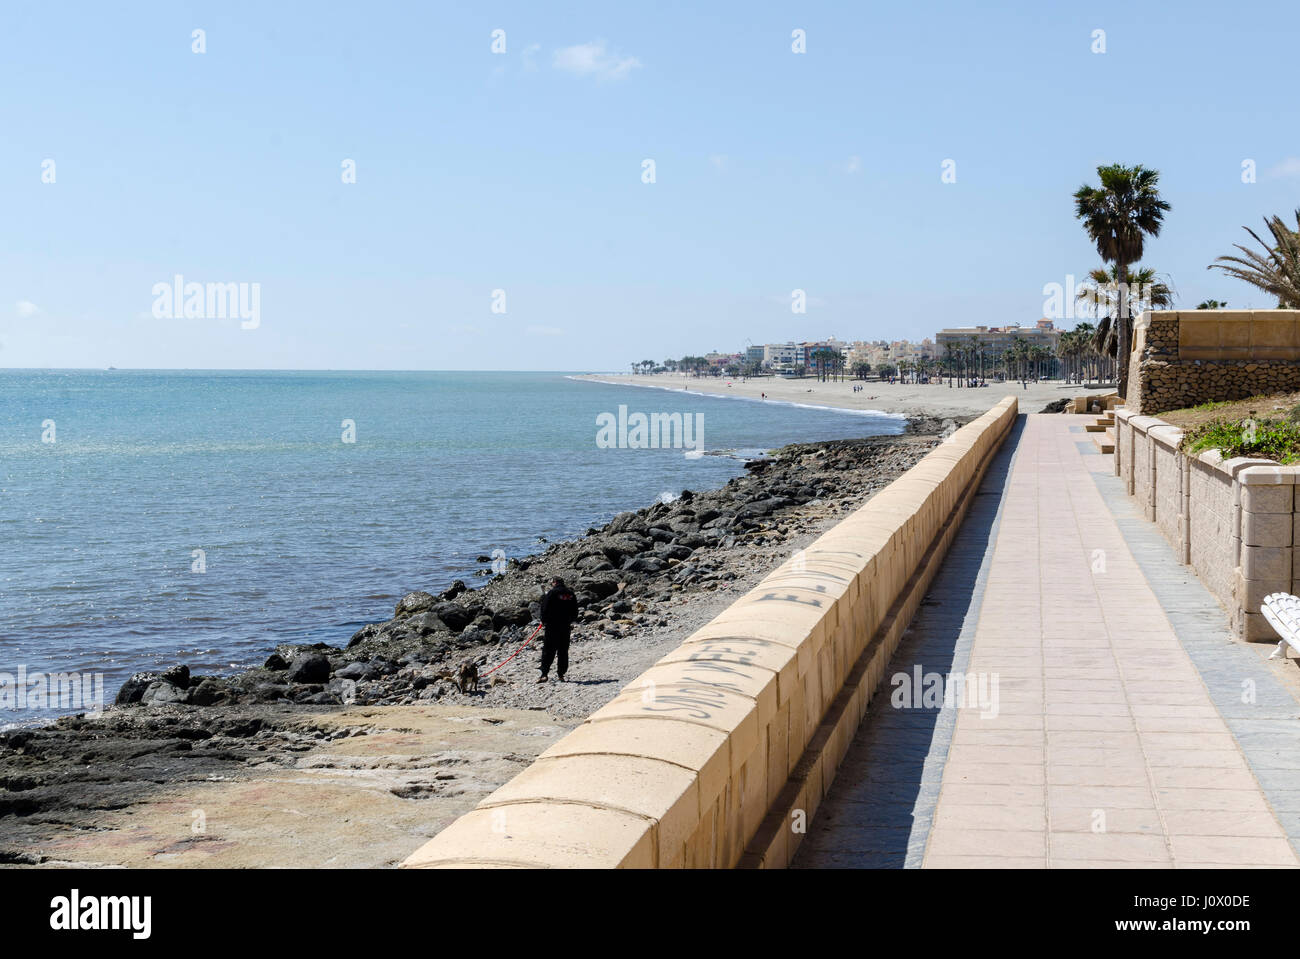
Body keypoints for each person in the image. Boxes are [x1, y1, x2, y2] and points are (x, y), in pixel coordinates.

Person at [538, 576, 579, 682]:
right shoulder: (570, 593)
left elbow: (545, 608)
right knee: (563, 650)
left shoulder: (552, 593)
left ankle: (544, 674)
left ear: (554, 582)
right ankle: (561, 674)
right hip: (565, 626)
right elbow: (575, 610)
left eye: (551, 582)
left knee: (548, 650)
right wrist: (570, 620)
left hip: (552, 626)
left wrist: (543, 620)